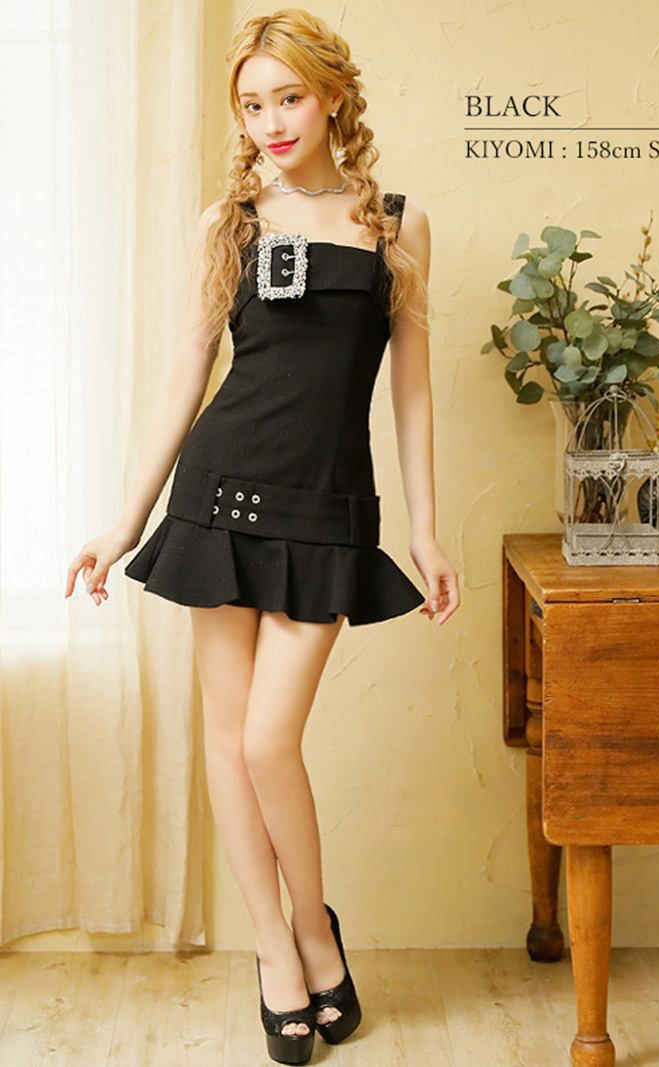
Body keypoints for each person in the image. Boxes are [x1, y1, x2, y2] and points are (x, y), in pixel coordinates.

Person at [64, 7, 459, 1065]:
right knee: (229, 743)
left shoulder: (397, 223)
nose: (271, 121)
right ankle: (276, 953)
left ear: (330, 97)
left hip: (327, 507)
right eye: (251, 104)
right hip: (219, 497)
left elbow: (412, 392)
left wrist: (427, 531)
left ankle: (314, 922)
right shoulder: (227, 222)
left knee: (267, 740)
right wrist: (124, 522)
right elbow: (183, 381)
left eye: (288, 97)